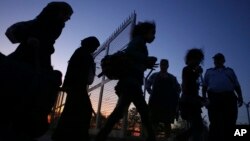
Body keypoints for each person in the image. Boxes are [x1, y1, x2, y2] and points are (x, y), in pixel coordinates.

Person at [0, 2, 73, 141]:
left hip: (41, 63)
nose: (68, 19)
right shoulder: (39, 23)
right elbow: (13, 32)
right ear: (56, 12)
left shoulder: (55, 27)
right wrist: (28, 38)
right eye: (66, 14)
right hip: (25, 62)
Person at [95, 21, 157, 141]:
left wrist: (146, 64)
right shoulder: (138, 41)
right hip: (131, 82)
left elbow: (134, 61)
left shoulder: (139, 42)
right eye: (152, 33)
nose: (154, 36)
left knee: (121, 111)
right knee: (143, 111)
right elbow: (130, 53)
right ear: (145, 32)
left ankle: (101, 136)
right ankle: (151, 137)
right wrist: (146, 59)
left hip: (131, 82)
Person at [51, 36, 100, 141]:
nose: (95, 49)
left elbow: (71, 69)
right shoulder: (84, 54)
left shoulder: (79, 52)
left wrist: (66, 85)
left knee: (71, 110)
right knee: (84, 110)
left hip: (75, 85)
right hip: (77, 86)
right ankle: (80, 135)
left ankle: (61, 135)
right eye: (95, 47)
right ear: (90, 45)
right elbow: (78, 71)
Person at [202, 53, 243, 141]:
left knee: (230, 122)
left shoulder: (229, 71)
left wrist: (240, 96)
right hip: (214, 99)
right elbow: (204, 86)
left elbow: (236, 85)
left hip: (229, 98)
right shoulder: (209, 71)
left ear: (223, 60)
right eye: (215, 59)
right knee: (214, 123)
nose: (217, 61)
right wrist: (204, 98)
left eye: (219, 59)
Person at [146, 59, 181, 138]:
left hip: (167, 104)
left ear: (168, 66)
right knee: (154, 122)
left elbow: (179, 89)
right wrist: (151, 92)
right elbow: (148, 84)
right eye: (162, 64)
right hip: (155, 102)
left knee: (167, 123)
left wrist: (174, 98)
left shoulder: (172, 78)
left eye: (165, 64)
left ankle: (167, 139)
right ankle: (152, 138)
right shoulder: (154, 75)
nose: (163, 66)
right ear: (160, 65)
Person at [177, 48, 206, 141]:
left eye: (199, 61)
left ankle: (179, 138)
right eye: (196, 60)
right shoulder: (186, 70)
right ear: (191, 59)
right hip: (188, 104)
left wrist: (201, 99)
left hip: (193, 103)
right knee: (198, 127)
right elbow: (186, 88)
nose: (198, 63)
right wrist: (196, 73)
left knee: (198, 127)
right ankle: (179, 138)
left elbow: (193, 90)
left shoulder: (193, 72)